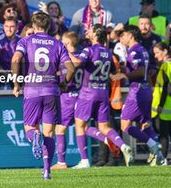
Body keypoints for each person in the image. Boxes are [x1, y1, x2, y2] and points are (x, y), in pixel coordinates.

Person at [11, 12, 75, 179]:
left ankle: (35, 137)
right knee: (49, 133)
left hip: (32, 90)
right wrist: (64, 82)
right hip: (51, 90)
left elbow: (16, 59)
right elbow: (71, 68)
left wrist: (16, 83)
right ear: (49, 27)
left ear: (33, 26)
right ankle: (47, 170)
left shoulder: (25, 41)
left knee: (30, 130)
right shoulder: (58, 44)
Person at [69, 24, 133, 168]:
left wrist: (66, 52)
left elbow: (78, 63)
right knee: (104, 127)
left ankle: (84, 161)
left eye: (90, 30)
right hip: (103, 92)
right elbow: (113, 72)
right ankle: (122, 146)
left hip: (88, 92)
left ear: (96, 34)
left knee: (80, 125)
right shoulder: (108, 52)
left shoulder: (89, 50)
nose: (87, 32)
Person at [110, 25, 164, 165]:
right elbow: (146, 69)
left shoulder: (133, 51)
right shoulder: (143, 50)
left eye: (124, 35)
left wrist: (124, 74)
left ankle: (152, 144)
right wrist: (124, 68)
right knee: (145, 124)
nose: (122, 38)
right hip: (146, 90)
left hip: (137, 91)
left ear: (131, 36)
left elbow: (140, 71)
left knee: (124, 126)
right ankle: (160, 157)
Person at [50, 31, 82, 170]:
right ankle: (85, 160)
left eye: (63, 41)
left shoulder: (67, 59)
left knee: (60, 129)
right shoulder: (81, 57)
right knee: (82, 127)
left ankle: (61, 162)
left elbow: (65, 73)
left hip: (67, 96)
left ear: (67, 43)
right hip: (80, 94)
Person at [152, 42, 171, 165]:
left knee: (163, 134)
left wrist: (160, 105)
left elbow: (166, 87)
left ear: (165, 51)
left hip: (166, 107)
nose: (155, 56)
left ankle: (163, 159)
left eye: (157, 53)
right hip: (167, 106)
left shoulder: (166, 66)